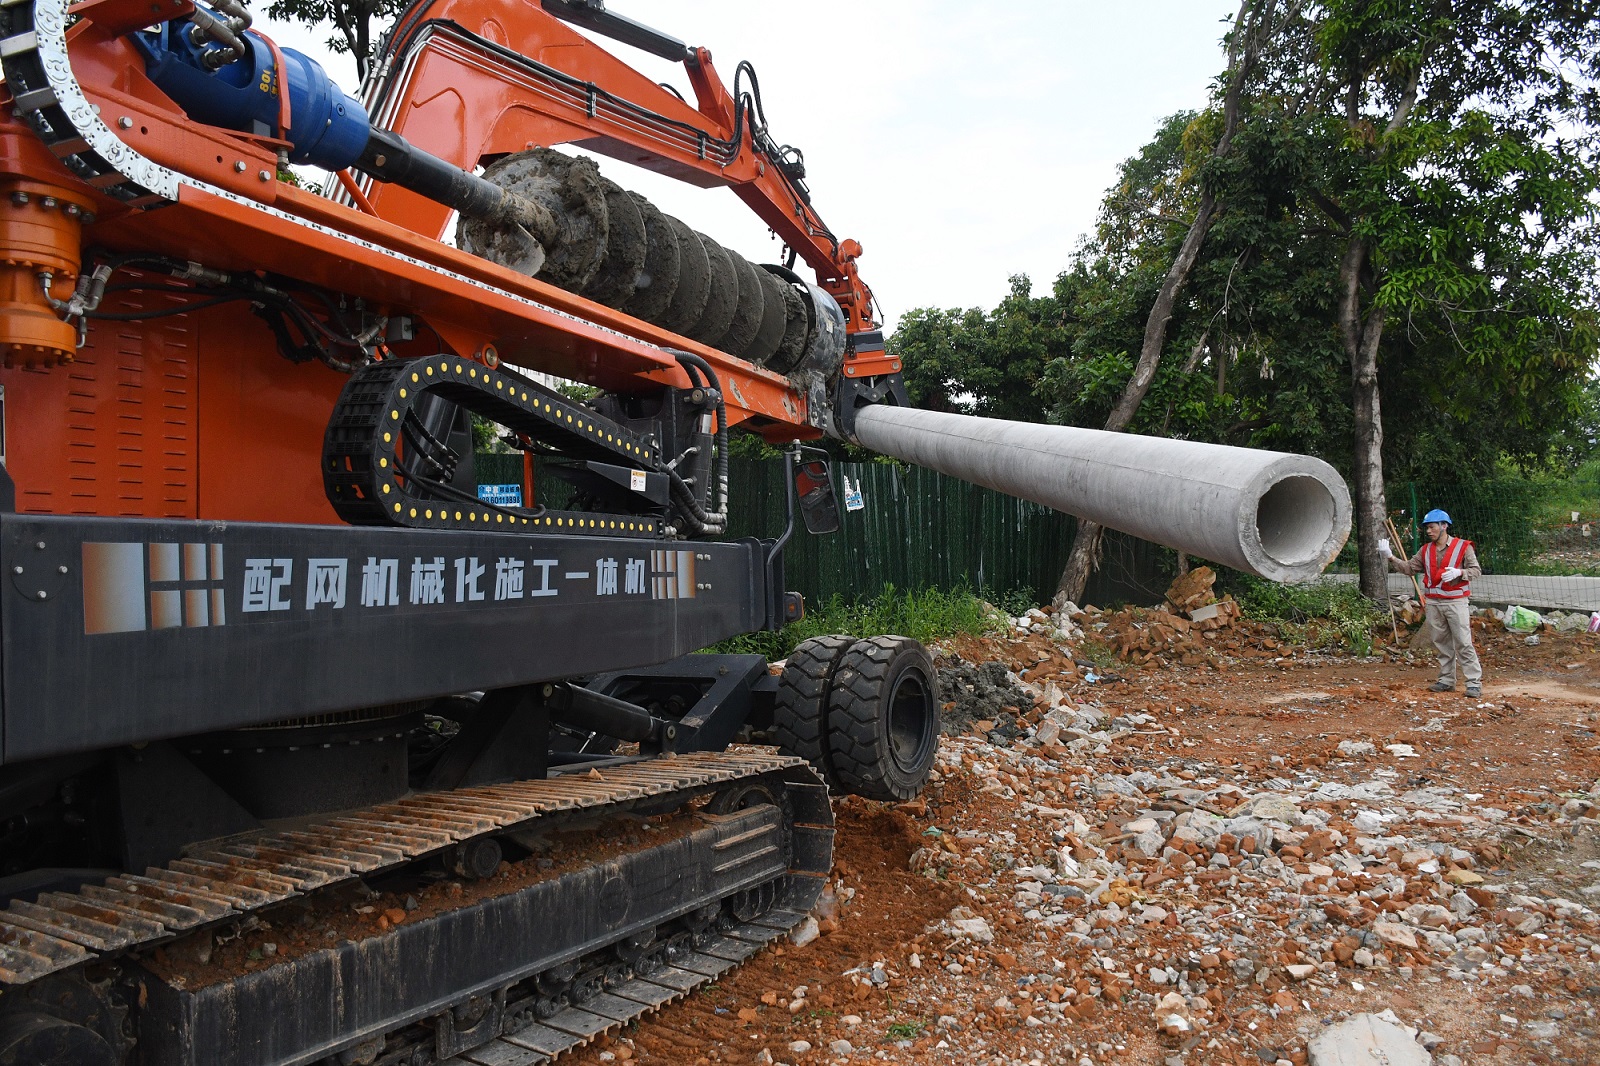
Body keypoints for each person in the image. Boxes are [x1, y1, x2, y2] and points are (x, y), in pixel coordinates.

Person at [1379, 509, 1483, 698]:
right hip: (1434, 602)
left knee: (1463, 642)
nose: (1428, 531)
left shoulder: (1463, 547)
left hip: (1456, 602)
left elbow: (1476, 570)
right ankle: (1446, 680)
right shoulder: (1426, 550)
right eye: (1427, 527)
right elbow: (1410, 568)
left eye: (1432, 527)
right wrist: (1390, 557)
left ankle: (1474, 683)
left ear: (1444, 526)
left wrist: (1460, 573)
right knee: (1442, 643)